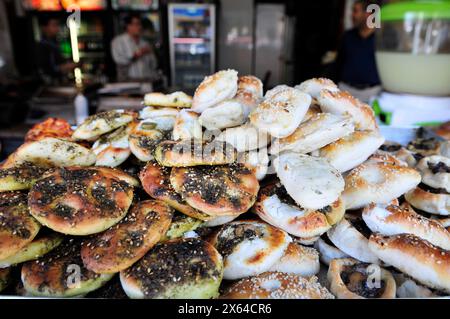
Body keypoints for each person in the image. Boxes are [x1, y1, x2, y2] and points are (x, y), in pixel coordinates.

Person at [335, 0, 381, 103]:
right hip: (346, 90)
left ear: (368, 14)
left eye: (355, 11)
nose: (352, 15)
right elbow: (338, 64)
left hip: (372, 92)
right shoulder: (347, 36)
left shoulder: (381, 38)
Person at [111, 14, 157, 82]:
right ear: (128, 26)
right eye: (137, 24)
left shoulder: (144, 43)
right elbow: (120, 61)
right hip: (128, 82)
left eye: (140, 24)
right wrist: (139, 53)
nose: (140, 27)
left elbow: (153, 64)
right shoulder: (118, 41)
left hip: (147, 80)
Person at [36, 16, 76, 84]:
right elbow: (46, 70)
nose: (57, 28)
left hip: (58, 82)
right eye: (54, 25)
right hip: (49, 84)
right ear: (44, 27)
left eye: (57, 25)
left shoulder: (53, 42)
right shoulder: (42, 46)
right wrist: (65, 67)